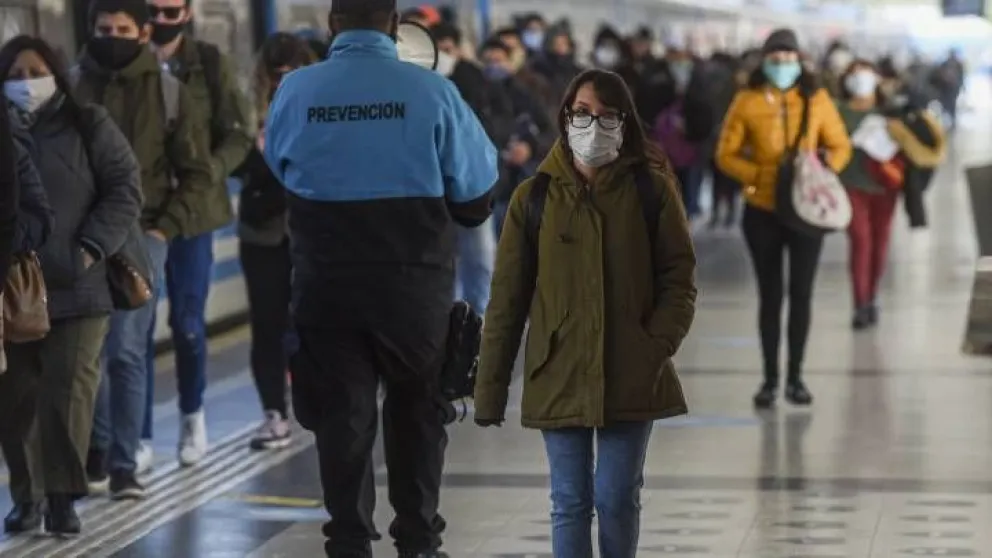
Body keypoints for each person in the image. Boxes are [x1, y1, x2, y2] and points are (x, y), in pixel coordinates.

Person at [261, 0, 498, 556]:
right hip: (413, 289)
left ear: (331, 27)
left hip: (326, 284)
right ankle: (417, 539)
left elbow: (281, 170)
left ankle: (347, 538)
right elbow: (475, 197)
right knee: (418, 411)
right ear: (395, 27)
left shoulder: (296, 91)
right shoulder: (433, 92)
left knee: (342, 416)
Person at [474, 68, 696, 558]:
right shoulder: (533, 198)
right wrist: (488, 389)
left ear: (624, 122)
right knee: (570, 502)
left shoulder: (651, 191)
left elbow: (679, 278)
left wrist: (654, 344)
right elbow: (507, 298)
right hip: (559, 369)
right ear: (565, 117)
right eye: (582, 113)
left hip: (632, 368)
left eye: (606, 115)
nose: (592, 125)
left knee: (617, 497)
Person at [0, 35, 142, 534]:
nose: (25, 84)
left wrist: (88, 249)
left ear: (57, 73)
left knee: (67, 394)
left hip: (77, 286)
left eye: (34, 72)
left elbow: (125, 189)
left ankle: (62, 496)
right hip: (13, 288)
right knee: (15, 398)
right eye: (14, 76)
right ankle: (27, 497)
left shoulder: (90, 124)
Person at [75, 0, 214, 499]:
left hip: (142, 236)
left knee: (126, 351)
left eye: (122, 28)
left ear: (142, 33)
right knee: (85, 354)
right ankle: (98, 446)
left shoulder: (170, 92)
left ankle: (123, 462)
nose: (111, 35)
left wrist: (163, 232)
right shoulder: (71, 87)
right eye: (103, 28)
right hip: (78, 241)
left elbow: (197, 173)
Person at [139, 0, 252, 468]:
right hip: (141, 215)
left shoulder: (209, 64)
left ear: (187, 11)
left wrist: (210, 170)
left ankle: (192, 415)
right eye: (153, 10)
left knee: (187, 325)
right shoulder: (126, 63)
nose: (162, 20)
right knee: (134, 332)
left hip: (195, 214)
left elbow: (239, 134)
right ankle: (138, 435)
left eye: (171, 10)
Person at [716, 29, 852, 409]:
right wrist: (759, 175)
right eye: (776, 58)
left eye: (789, 57)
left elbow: (841, 145)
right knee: (770, 295)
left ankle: (796, 377)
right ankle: (769, 379)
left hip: (806, 210)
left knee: (802, 293)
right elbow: (725, 153)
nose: (783, 65)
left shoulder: (817, 99)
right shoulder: (746, 101)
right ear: (764, 60)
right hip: (762, 210)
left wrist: (824, 167)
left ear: (800, 60)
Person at [235, 33, 316, 450]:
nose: (283, 82)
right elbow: (229, 159)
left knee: (313, 320)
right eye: (276, 75)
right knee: (266, 323)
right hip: (262, 229)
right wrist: (259, 154)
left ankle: (314, 399)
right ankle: (274, 413)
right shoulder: (245, 113)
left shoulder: (322, 104)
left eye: (292, 74)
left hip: (313, 229)